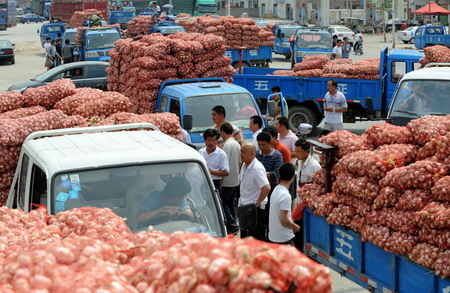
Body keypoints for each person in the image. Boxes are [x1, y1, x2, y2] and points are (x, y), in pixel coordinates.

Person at [239, 143, 271, 241]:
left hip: (254, 211)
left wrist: (257, 203)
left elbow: (266, 187)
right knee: (245, 239)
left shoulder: (257, 168)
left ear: (252, 154)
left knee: (257, 240)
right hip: (244, 207)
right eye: (241, 151)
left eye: (243, 152)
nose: (241, 154)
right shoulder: (244, 165)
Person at [268, 163, 300, 245]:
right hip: (284, 238)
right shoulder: (286, 195)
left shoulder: (276, 189)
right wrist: (294, 226)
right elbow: (283, 220)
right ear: (293, 177)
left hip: (274, 236)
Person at [220, 123, 241, 235]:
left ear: (223, 132)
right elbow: (239, 162)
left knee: (224, 203)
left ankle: (232, 225)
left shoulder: (227, 145)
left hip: (228, 180)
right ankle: (234, 223)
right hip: (235, 179)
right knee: (231, 203)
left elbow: (225, 163)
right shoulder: (237, 144)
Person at [199, 129, 229, 195]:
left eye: (213, 140)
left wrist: (210, 171)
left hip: (215, 182)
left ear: (217, 141)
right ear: (205, 141)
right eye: (209, 140)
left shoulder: (221, 154)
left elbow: (226, 172)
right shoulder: (201, 152)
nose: (211, 143)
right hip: (202, 181)